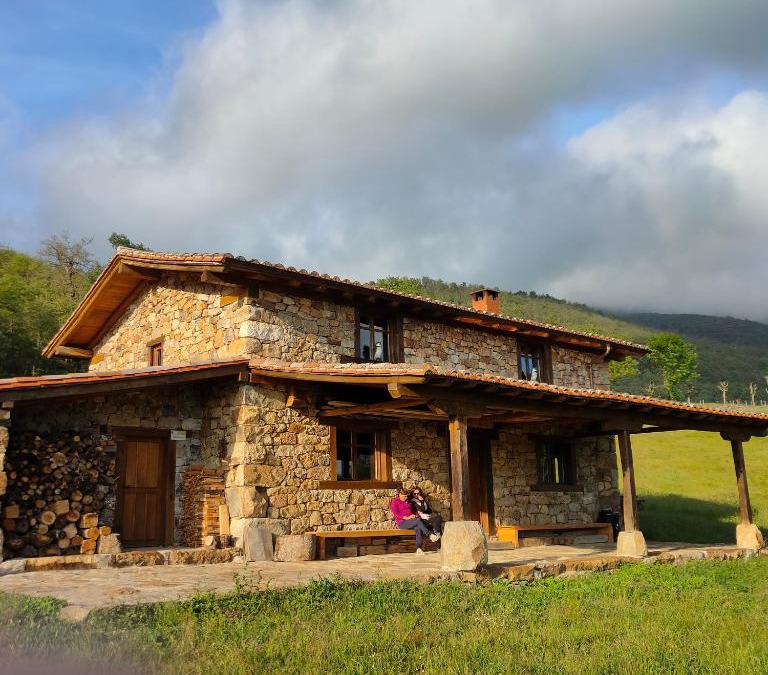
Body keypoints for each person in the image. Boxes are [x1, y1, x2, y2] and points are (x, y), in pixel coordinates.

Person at [390, 488, 432, 554]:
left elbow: (412, 511)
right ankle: (429, 534)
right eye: (404, 496)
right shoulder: (395, 502)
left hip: (411, 521)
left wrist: (414, 515)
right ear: (400, 494)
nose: (406, 498)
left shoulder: (408, 501)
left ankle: (419, 548)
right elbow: (396, 514)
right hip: (402, 523)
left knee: (418, 528)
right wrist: (406, 518)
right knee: (418, 521)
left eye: (407, 496)